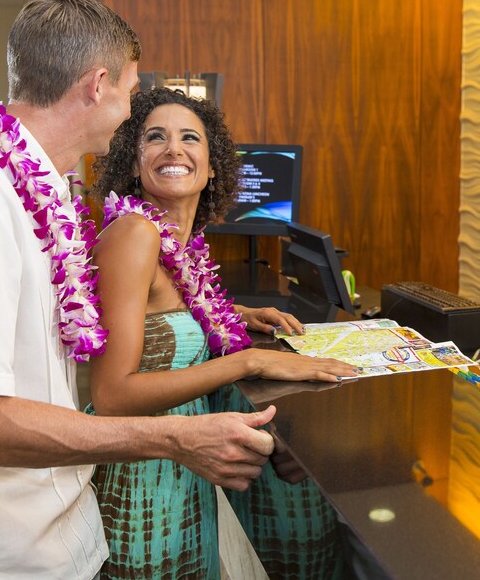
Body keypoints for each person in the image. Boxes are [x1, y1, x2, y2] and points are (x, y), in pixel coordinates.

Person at [0, 0, 278, 578]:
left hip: (54, 541)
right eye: (132, 93)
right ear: (98, 85)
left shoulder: (35, 197)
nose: (130, 113)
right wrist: (176, 440)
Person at [89, 86, 356, 579]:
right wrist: (250, 360)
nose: (174, 149)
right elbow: (110, 394)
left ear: (212, 166)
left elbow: (154, 321)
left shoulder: (177, 244)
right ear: (131, 162)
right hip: (141, 486)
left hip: (181, 476)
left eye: (190, 137)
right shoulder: (134, 234)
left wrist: (237, 312)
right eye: (155, 138)